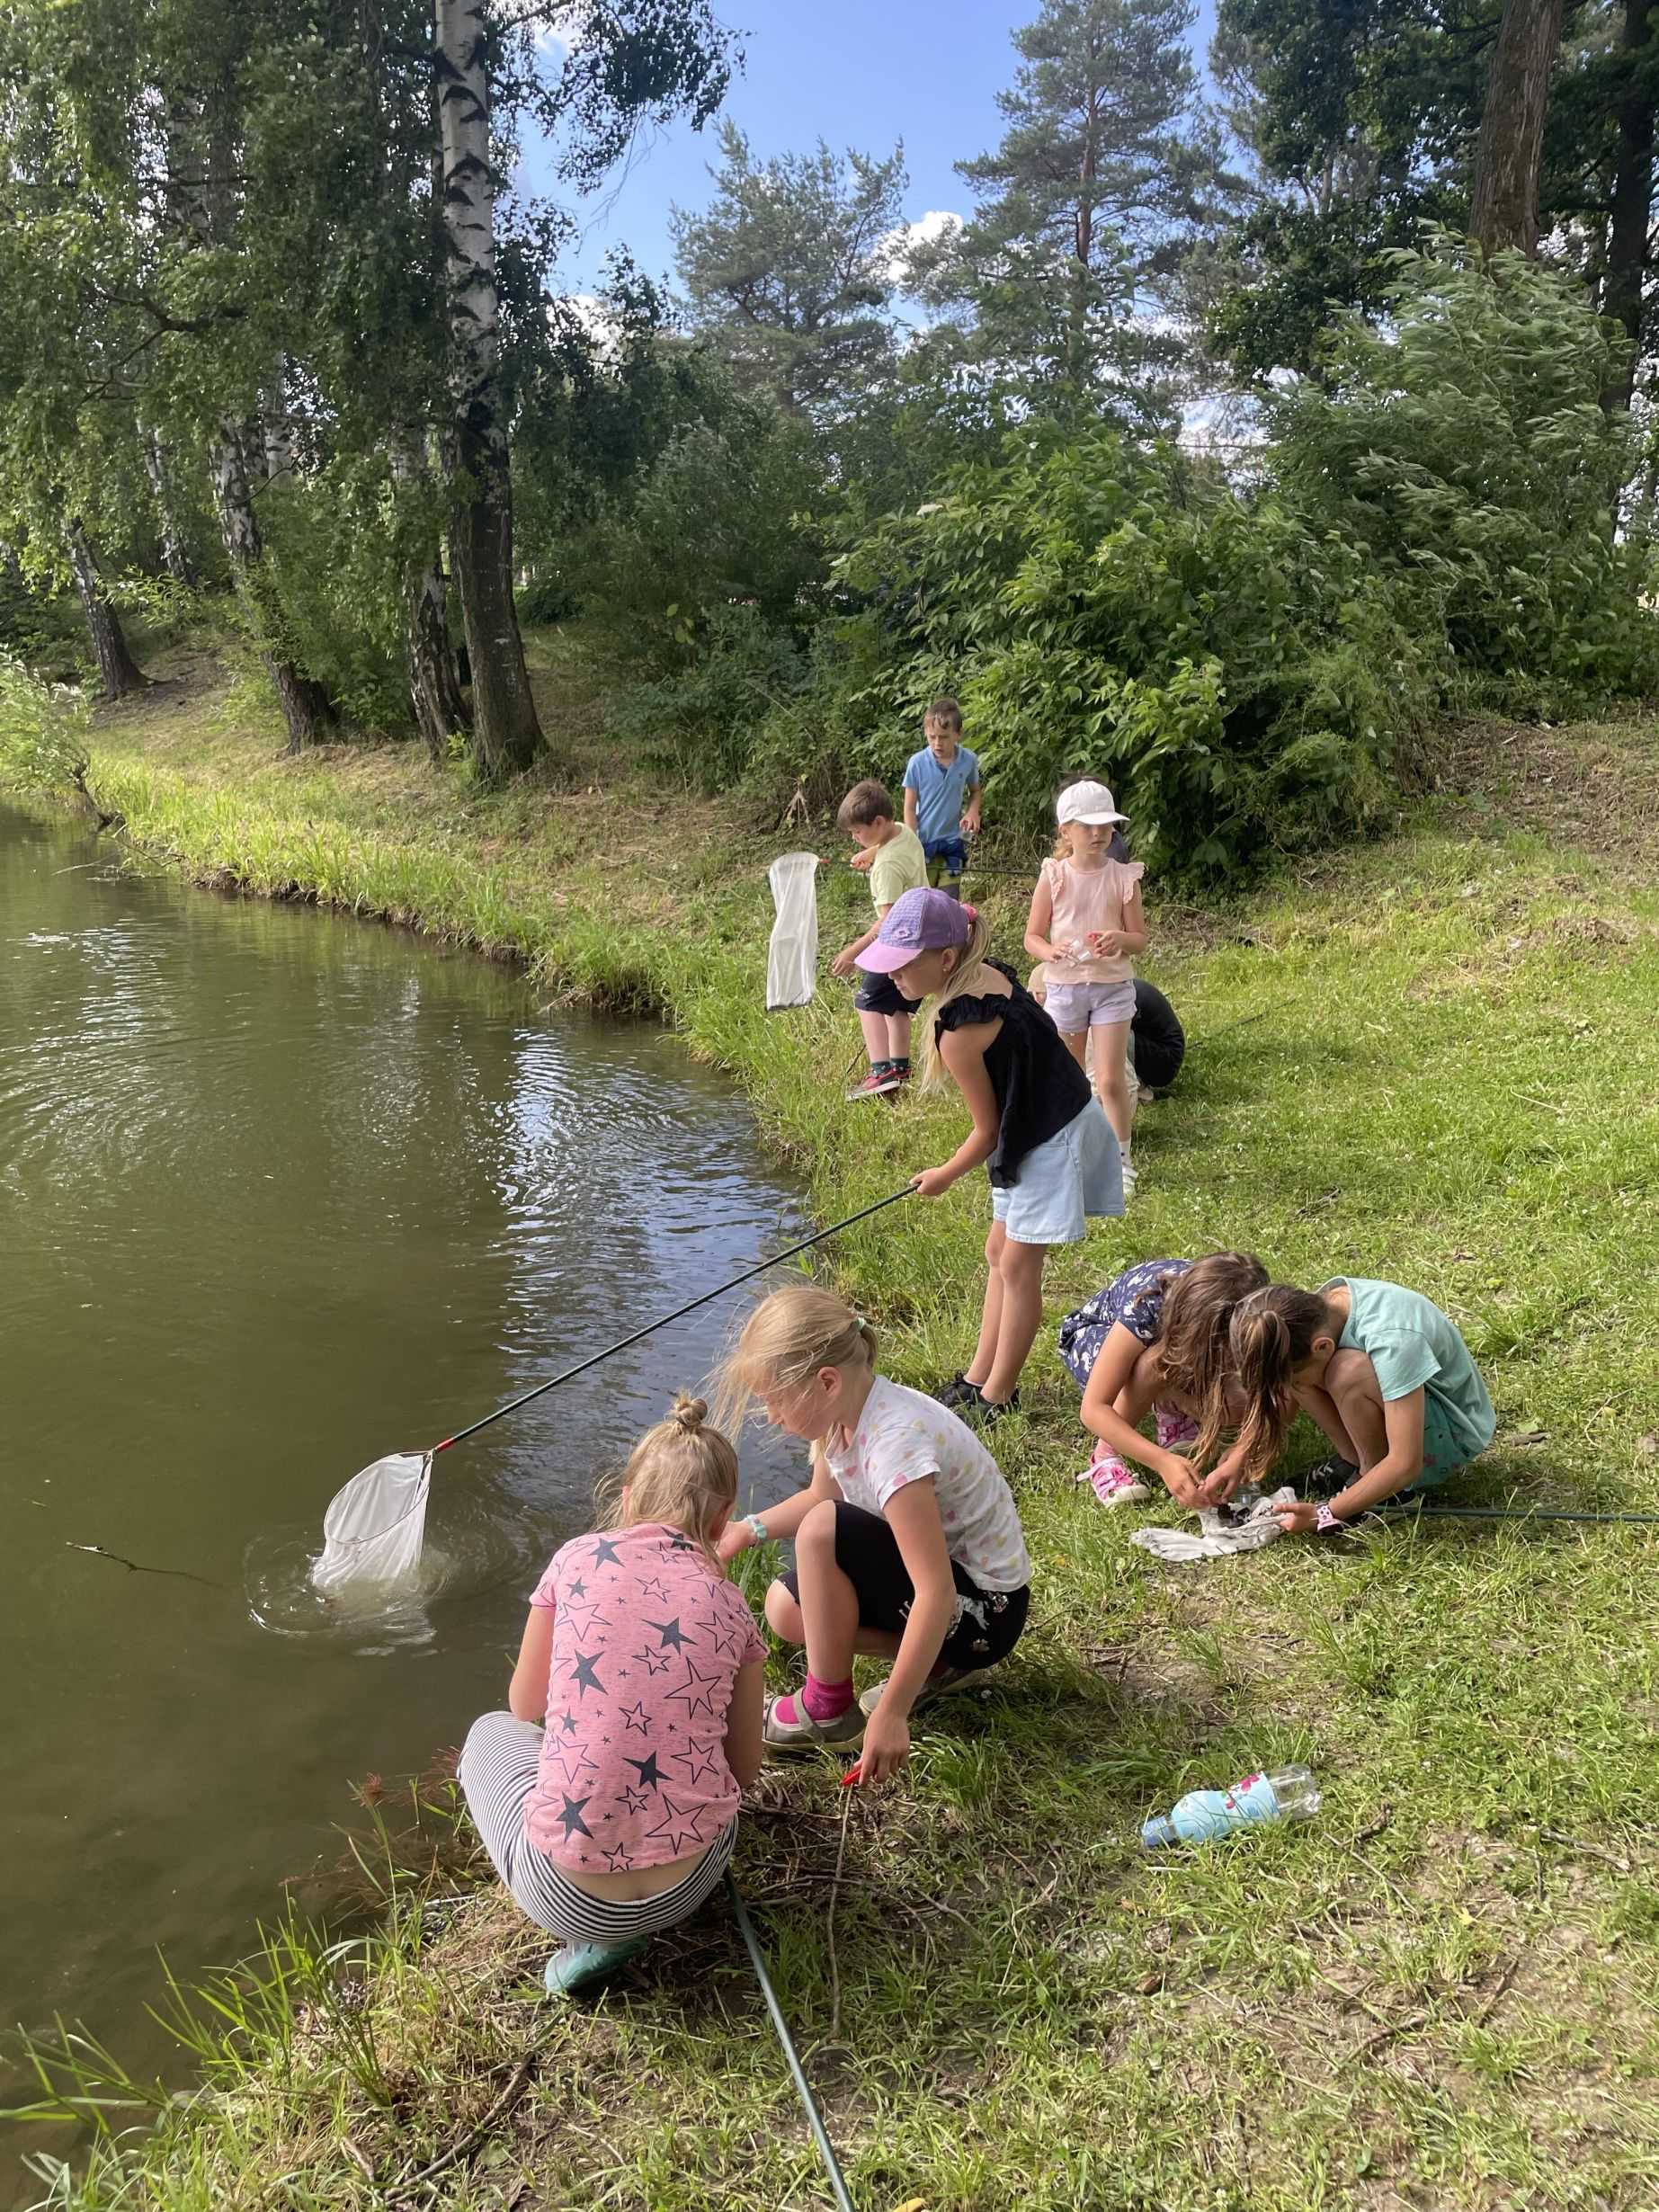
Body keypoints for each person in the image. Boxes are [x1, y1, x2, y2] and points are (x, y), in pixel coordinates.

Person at [458, 1396, 765, 1997]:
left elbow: (524, 1708)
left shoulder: (574, 1558)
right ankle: (629, 1918)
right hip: (689, 1886)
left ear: (626, 1497)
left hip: (564, 1900)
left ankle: (596, 1937)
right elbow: (745, 1769)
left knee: (488, 1732)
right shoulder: (731, 1607)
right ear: (723, 1519)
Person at [714, 1285, 1030, 1777]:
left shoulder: (893, 1446)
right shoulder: (841, 1419)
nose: (772, 1417)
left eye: (775, 1401)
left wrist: (892, 1713)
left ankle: (829, 1710)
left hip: (987, 1616)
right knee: (787, 1612)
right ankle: (939, 1666)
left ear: (825, 1381)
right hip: (957, 1606)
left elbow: (935, 1591)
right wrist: (745, 1530)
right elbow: (823, 1496)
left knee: (821, 1533)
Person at [857, 887, 1123, 1419]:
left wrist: (943, 1175)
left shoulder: (960, 1029)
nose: (892, 979)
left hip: (1052, 1136)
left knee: (1020, 1268)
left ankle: (998, 1396)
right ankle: (977, 1377)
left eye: (903, 966)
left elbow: (985, 1131)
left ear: (946, 958)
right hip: (1035, 1128)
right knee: (997, 1254)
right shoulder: (988, 971)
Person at [1219, 1280, 1497, 1535]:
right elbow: (1286, 1391)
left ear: (1323, 1347)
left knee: (1346, 1372)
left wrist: (1325, 1513)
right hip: (1404, 1410)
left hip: (1451, 1432)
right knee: (1303, 1375)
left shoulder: (1392, 1342)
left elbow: (1405, 1463)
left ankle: (1387, 1496)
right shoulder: (1311, 1317)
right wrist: (1242, 1454)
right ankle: (1357, 1465)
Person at [1059, 1253, 1269, 1509]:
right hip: (1094, 1338)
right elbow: (1093, 1409)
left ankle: (1171, 1406)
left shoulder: (1259, 1314)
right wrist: (1162, 1462)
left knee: (1235, 1406)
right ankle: (1104, 1456)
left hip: (1176, 1344)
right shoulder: (1148, 1306)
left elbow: (1280, 1393)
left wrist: (1242, 1451)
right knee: (1151, 1364)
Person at [1023, 780, 1147, 1193]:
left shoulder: (1123, 877)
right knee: (1071, 1078)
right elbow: (1032, 937)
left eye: (1106, 826)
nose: (1098, 834)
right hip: (1066, 991)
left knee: (1109, 1079)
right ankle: (1072, 1156)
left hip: (1113, 988)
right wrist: (1050, 952)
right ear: (1066, 831)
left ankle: (1121, 1162)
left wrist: (1119, 939)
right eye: (1088, 826)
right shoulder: (1054, 876)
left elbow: (1140, 939)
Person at [831, 778, 927, 1100]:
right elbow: (893, 839)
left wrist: (853, 952)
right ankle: (900, 1069)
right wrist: (873, 850)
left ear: (878, 822)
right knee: (895, 1005)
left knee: (868, 1001)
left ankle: (880, 1070)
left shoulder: (886, 868)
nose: (855, 838)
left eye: (858, 832)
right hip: (922, 936)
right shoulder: (903, 832)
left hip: (897, 943)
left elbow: (888, 922)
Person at [901, 697, 983, 897]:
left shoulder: (968, 760)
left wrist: (973, 812)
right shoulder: (917, 763)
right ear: (926, 734)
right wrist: (912, 842)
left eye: (944, 737)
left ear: (958, 734)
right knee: (923, 899)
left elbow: (975, 791)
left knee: (949, 900)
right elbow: (909, 807)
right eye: (932, 737)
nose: (937, 743)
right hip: (923, 845)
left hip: (953, 843)